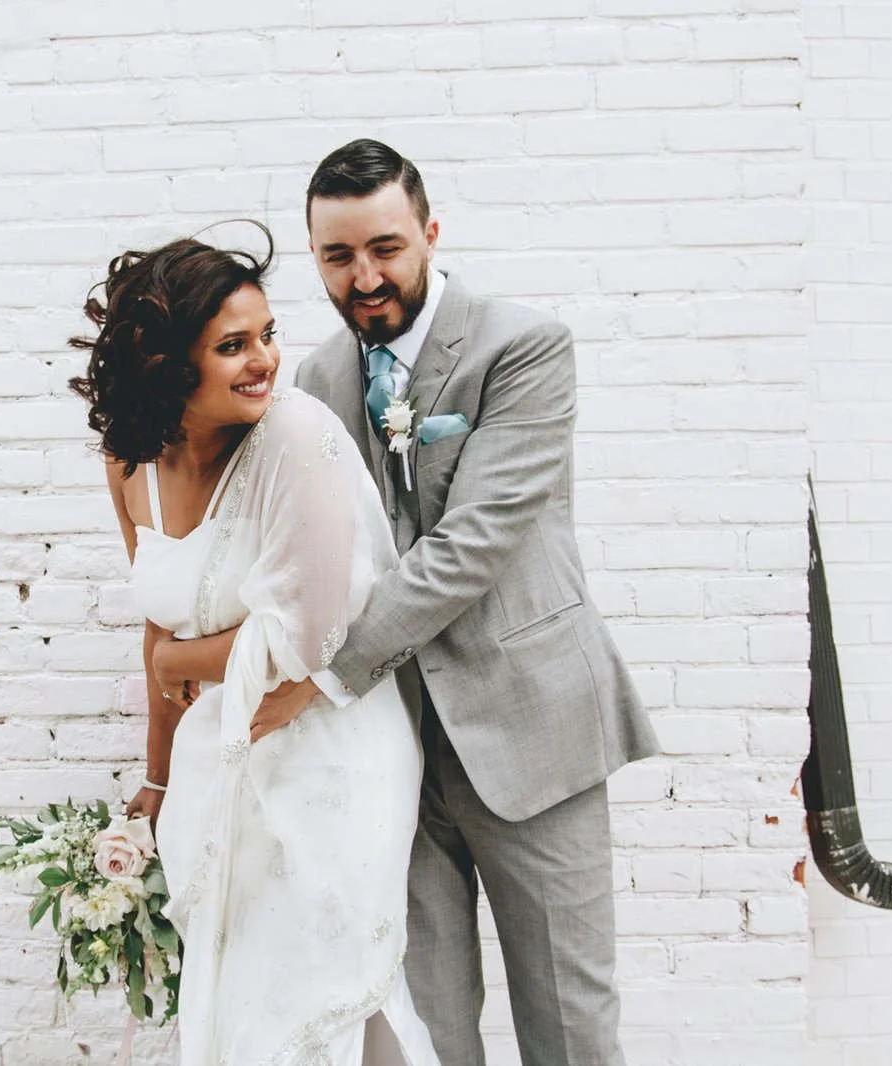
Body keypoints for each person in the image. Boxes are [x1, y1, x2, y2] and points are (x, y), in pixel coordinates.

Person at [257, 139, 662, 1066]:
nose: (365, 278)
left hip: (531, 732)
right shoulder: (316, 384)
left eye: (386, 248)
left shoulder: (521, 347)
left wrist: (325, 678)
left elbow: (472, 545)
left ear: (430, 232)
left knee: (569, 1025)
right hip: (394, 757)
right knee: (423, 1029)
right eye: (337, 257)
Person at [71, 231, 441, 1066]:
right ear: (167, 365)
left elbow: (309, 634)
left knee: (317, 1004)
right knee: (238, 1007)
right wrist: (158, 780)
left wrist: (175, 667)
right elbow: (158, 623)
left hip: (328, 755)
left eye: (267, 334)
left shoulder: (298, 437)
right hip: (220, 759)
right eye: (232, 346)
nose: (264, 360)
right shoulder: (128, 463)